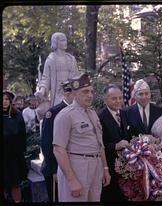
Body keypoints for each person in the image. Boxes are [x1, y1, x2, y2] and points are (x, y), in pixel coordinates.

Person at [53, 73, 111, 202]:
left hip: (96, 167)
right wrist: (72, 180)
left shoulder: (93, 113)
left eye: (91, 91)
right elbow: (58, 150)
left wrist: (105, 168)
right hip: (77, 167)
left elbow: (99, 144)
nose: (90, 95)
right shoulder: (65, 115)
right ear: (74, 93)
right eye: (85, 92)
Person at [40, 80, 75, 202]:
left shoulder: (79, 111)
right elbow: (47, 143)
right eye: (74, 93)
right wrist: (54, 168)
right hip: (56, 167)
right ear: (66, 94)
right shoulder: (53, 112)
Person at [35, 32, 80, 119]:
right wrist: (42, 91)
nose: (65, 42)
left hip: (69, 91)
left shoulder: (71, 59)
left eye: (65, 40)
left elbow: (76, 77)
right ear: (56, 42)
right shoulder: (51, 59)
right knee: (58, 115)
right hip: (57, 93)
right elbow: (46, 78)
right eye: (62, 40)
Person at [97, 84, 129, 202]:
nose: (118, 101)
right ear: (105, 99)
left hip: (125, 167)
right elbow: (97, 143)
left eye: (120, 98)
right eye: (114, 98)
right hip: (108, 166)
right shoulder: (99, 116)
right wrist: (115, 146)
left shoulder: (124, 113)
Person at [3, 90, 28, 203]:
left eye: (7, 99)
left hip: (14, 157)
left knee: (15, 185)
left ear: (10, 101)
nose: (4, 102)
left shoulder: (17, 115)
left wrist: (21, 154)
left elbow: (22, 135)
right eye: (2, 99)